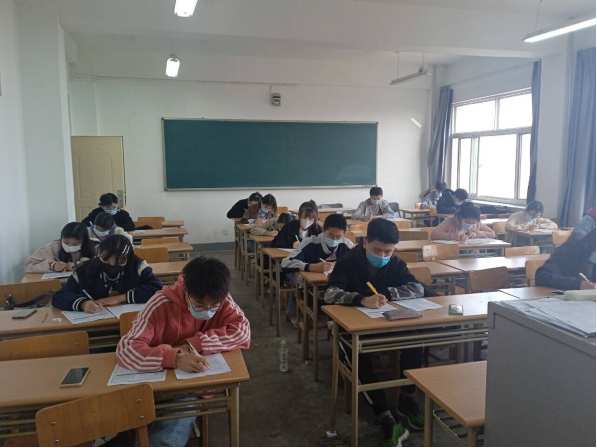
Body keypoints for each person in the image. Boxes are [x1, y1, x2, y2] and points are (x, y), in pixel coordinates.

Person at [116, 257, 251, 447]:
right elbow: (127, 349)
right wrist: (176, 358)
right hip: (155, 385)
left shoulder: (221, 299)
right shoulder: (160, 303)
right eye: (199, 305)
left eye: (213, 307)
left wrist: (195, 344)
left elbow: (242, 332)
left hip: (190, 389)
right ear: (186, 290)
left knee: (164, 436)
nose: (207, 311)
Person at [325, 219, 436, 446]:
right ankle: (385, 415)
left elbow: (417, 287)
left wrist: (389, 293)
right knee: (355, 351)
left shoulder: (395, 263)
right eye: (377, 250)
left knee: (416, 339)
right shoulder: (348, 261)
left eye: (388, 251)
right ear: (365, 242)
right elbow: (330, 293)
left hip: (386, 322)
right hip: (351, 326)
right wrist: (361, 299)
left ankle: (407, 398)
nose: (383, 256)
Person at [53, 235, 164, 312]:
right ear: (99, 253)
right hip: (95, 323)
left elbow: (159, 288)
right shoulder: (84, 270)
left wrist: (121, 298)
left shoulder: (137, 266)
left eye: (118, 262)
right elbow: (59, 297)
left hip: (132, 322)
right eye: (106, 260)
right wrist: (83, 303)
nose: (111, 265)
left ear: (128, 258)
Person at [282, 214, 355, 321]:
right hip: (310, 290)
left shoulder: (346, 244)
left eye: (339, 237)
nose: (334, 240)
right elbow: (285, 263)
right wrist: (311, 267)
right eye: (330, 235)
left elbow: (359, 262)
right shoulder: (310, 242)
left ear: (344, 234)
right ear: (323, 230)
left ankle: (335, 325)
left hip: (338, 289)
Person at [25, 222, 96, 273]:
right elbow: (29, 266)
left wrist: (83, 264)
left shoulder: (95, 246)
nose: (70, 246)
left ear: (84, 241)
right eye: (66, 242)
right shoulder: (51, 248)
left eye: (75, 244)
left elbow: (101, 263)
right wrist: (52, 266)